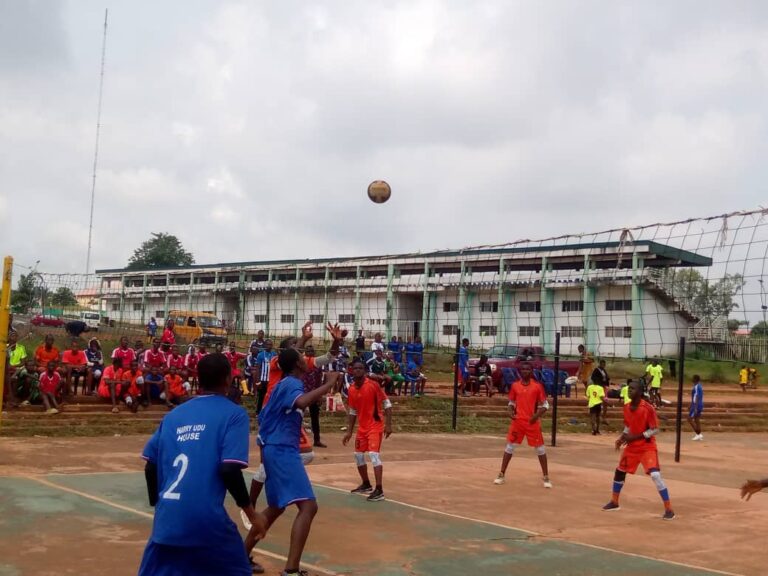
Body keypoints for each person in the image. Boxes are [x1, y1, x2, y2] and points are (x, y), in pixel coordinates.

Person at [138, 353, 267, 576]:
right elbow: (229, 469)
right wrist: (252, 515)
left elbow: (150, 466)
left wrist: (157, 503)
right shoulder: (234, 414)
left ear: (198, 378)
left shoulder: (174, 415)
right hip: (207, 521)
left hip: (167, 521)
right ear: (228, 379)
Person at [248, 346, 337, 576]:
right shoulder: (291, 384)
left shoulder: (282, 385)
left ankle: (240, 557)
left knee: (276, 507)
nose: (305, 359)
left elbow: (265, 417)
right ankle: (291, 570)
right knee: (308, 506)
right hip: (282, 450)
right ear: (298, 365)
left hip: (274, 449)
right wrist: (327, 385)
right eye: (301, 357)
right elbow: (301, 403)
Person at [602, 380, 675, 520]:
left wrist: (634, 437)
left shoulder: (647, 408)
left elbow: (655, 430)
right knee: (620, 471)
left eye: (633, 389)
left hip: (647, 446)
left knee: (655, 476)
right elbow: (628, 426)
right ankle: (614, 502)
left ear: (640, 393)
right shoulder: (627, 407)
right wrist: (622, 437)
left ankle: (669, 509)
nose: (629, 391)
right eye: (629, 389)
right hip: (632, 447)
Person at [493, 362, 552, 488]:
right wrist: (510, 411)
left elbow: (545, 405)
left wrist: (535, 416)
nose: (525, 371)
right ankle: (501, 474)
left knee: (540, 449)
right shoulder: (515, 386)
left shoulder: (537, 386)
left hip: (532, 423)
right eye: (523, 369)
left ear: (531, 371)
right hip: (518, 422)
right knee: (509, 447)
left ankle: (546, 477)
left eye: (528, 369)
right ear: (520, 371)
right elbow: (511, 402)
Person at [343, 359, 393, 502]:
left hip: (375, 426)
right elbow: (352, 411)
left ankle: (379, 489)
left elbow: (387, 404)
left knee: (373, 455)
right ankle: (366, 484)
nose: (357, 370)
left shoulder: (373, 385)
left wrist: (388, 425)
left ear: (364, 370)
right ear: (351, 370)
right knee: (358, 456)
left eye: (360, 368)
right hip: (362, 428)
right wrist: (349, 431)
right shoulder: (352, 388)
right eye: (355, 368)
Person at [302, 345, 327, 448]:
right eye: (307, 350)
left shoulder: (317, 365)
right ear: (305, 352)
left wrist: (319, 394)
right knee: (298, 416)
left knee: (315, 417)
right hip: (302, 393)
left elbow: (319, 380)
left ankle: (317, 440)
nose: (309, 351)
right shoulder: (301, 363)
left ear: (314, 353)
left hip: (313, 393)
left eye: (311, 350)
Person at [254, 339, 277, 414]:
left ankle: (269, 412)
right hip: (263, 379)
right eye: (267, 344)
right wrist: (258, 381)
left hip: (272, 380)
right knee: (261, 396)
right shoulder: (260, 354)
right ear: (264, 345)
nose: (269, 346)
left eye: (270, 345)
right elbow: (257, 368)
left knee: (271, 397)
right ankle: (258, 412)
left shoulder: (274, 355)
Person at [6, 330, 27, 406]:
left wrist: (13, 366)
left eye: (15, 336)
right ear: (9, 337)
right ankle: (9, 398)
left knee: (17, 375)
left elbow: (23, 362)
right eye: (12, 336)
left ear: (17, 338)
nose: (14, 338)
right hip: (7, 368)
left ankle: (13, 398)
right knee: (9, 376)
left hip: (17, 368)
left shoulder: (21, 348)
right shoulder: (6, 348)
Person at [591, 359, 611, 425]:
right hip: (599, 388)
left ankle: (604, 417)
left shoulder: (604, 371)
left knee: (605, 402)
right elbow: (593, 378)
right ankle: (597, 417)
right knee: (599, 402)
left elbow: (606, 378)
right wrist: (598, 384)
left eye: (604, 364)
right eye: (602, 364)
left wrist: (607, 384)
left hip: (604, 387)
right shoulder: (596, 370)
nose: (603, 365)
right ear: (600, 364)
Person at [688, 374, 704, 441]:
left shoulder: (697, 386)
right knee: (697, 419)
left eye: (693, 378)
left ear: (695, 379)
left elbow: (697, 396)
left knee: (689, 419)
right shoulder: (699, 386)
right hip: (699, 404)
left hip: (696, 405)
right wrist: (690, 404)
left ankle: (698, 434)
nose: (692, 379)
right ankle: (699, 434)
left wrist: (694, 407)